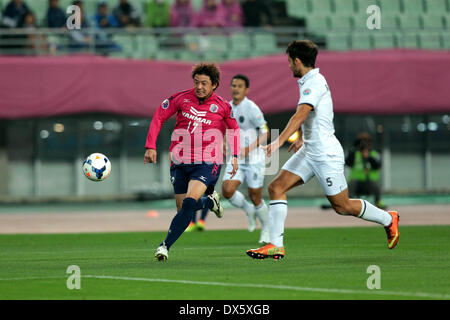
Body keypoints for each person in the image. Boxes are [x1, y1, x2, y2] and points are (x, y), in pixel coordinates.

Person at [246, 40, 400, 260]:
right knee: (276, 187)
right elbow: (315, 117)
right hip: (310, 150)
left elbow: (300, 114)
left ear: (297, 61)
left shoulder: (314, 83)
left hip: (325, 154)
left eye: (289, 62)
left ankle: (388, 218)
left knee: (342, 205)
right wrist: (303, 138)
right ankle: (276, 245)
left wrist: (278, 141)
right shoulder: (311, 81)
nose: (289, 66)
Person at [144, 62, 240, 261]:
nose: (199, 87)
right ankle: (210, 201)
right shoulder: (181, 98)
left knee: (188, 203)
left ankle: (164, 246)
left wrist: (236, 156)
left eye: (204, 83)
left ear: (214, 85)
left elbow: (234, 129)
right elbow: (159, 117)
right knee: (183, 209)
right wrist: (150, 145)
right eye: (196, 82)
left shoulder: (222, 106)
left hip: (207, 160)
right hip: (180, 159)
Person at [222, 74, 270, 244]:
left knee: (255, 195)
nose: (235, 88)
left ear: (246, 89)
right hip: (236, 158)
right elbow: (223, 128)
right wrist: (223, 142)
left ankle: (266, 228)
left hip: (254, 158)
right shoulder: (226, 107)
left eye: (240, 86)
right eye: (233, 85)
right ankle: (248, 209)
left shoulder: (251, 107)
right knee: (227, 190)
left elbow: (265, 132)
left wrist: (250, 148)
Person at [346, 132, 385, 209]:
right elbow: (348, 163)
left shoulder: (374, 153)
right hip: (356, 182)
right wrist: (354, 150)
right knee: (351, 184)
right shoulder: (354, 153)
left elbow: (377, 166)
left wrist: (369, 157)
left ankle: (378, 201)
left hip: (369, 182)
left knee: (375, 185)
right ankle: (348, 202)